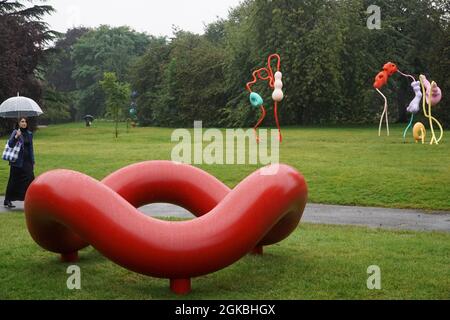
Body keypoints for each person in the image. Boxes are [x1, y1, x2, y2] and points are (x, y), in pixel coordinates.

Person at [4, 118, 35, 208]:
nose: (24, 123)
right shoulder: (15, 132)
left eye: (25, 122)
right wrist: (16, 137)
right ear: (18, 123)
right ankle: (7, 200)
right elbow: (10, 144)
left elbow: (31, 148)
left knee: (30, 178)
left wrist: (32, 160)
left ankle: (30, 199)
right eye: (22, 121)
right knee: (13, 180)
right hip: (17, 161)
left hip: (27, 161)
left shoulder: (29, 134)